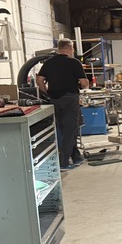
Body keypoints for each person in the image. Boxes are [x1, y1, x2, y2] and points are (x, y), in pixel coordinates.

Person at [36, 38, 89, 170]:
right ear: (70, 48)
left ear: (58, 48)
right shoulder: (74, 62)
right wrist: (82, 85)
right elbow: (84, 83)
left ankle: (76, 156)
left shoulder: (49, 62)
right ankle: (64, 162)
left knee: (63, 129)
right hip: (70, 98)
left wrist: (46, 93)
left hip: (54, 99)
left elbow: (39, 80)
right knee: (70, 130)